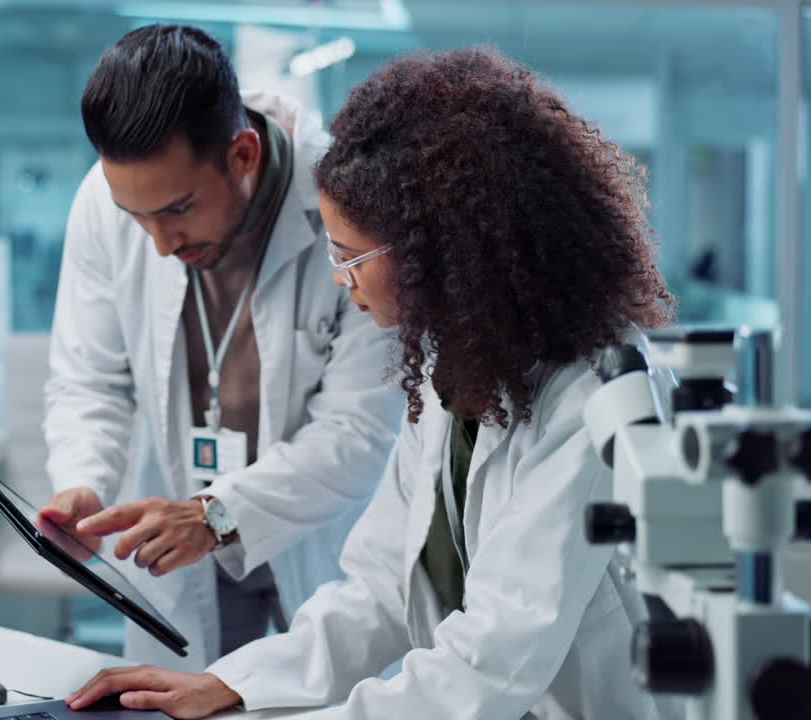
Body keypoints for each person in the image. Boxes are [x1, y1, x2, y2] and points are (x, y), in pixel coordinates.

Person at [63, 47, 684, 719]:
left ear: (439, 248)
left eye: (348, 255)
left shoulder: (589, 399)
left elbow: (492, 660)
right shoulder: (457, 366)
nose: (339, 278)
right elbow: (382, 584)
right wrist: (235, 684)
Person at [40, 24, 404, 670]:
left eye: (178, 208)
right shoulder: (105, 201)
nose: (158, 242)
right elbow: (90, 380)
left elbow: (357, 430)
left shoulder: (345, 207)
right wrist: (84, 481)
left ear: (242, 154)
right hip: (174, 546)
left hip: (313, 527)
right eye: (137, 218)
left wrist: (218, 515)